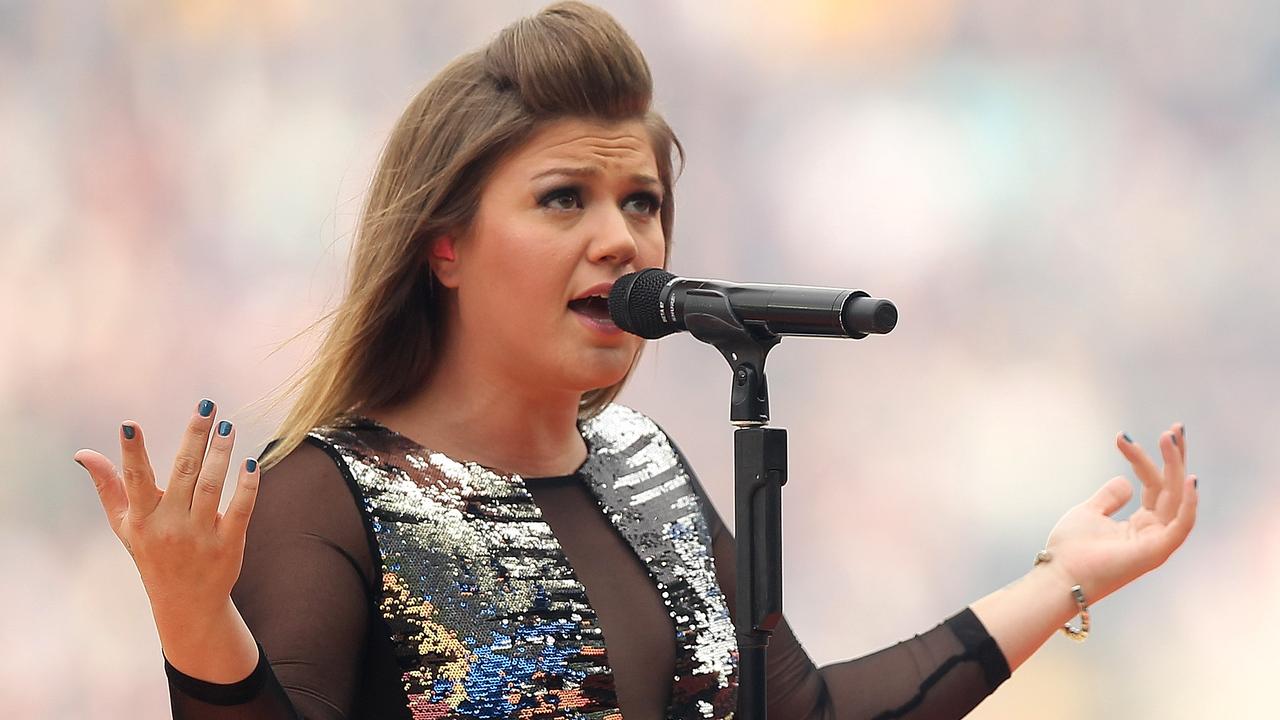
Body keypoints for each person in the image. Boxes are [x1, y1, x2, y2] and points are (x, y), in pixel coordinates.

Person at [73, 3, 1199, 719]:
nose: (623, 238)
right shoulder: (331, 493)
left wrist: (1065, 579)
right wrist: (193, 626)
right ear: (447, 246)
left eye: (642, 203)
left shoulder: (642, 466)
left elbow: (793, 713)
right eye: (564, 198)